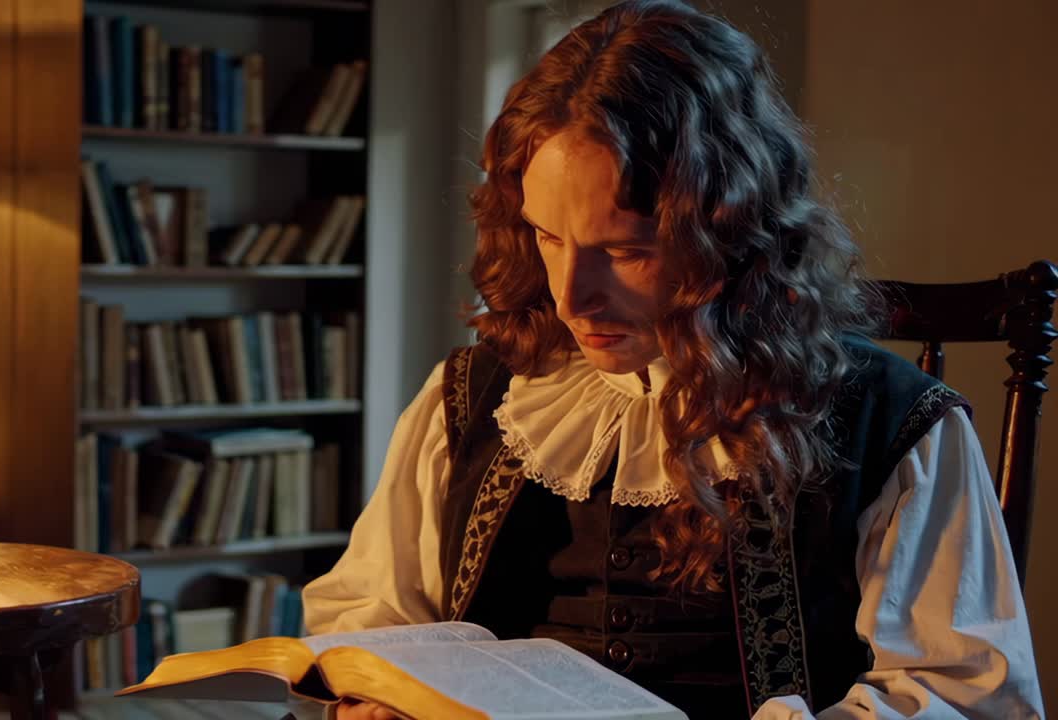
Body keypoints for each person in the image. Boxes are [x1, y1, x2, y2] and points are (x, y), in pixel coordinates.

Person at [301, 1, 1044, 718]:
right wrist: (373, 697)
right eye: (548, 239)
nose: (571, 297)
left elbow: (963, 694)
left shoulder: (892, 424)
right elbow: (373, 616)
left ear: (733, 233)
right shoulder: (469, 399)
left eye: (624, 251)